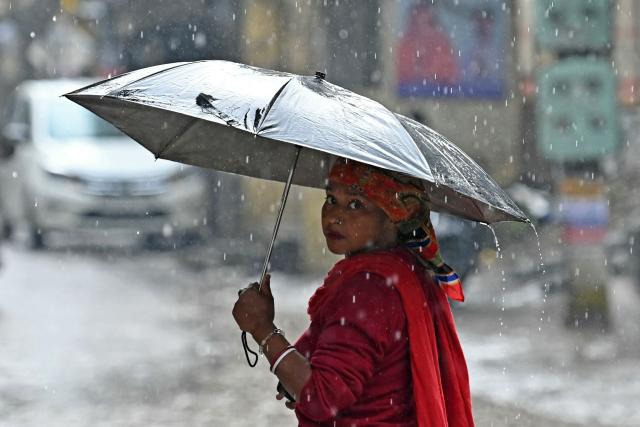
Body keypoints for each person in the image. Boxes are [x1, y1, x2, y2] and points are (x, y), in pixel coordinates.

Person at [233, 158, 474, 426]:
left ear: (394, 218)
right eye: (331, 198)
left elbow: (322, 397)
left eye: (356, 204)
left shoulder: (369, 288)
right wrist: (294, 372)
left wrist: (263, 329)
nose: (334, 215)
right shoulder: (402, 270)